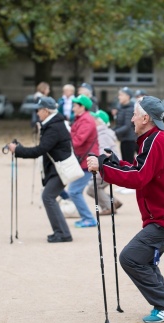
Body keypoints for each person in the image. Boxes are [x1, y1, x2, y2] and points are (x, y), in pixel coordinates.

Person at [86, 96, 164, 323]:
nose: (132, 119)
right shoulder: (154, 139)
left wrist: (105, 169)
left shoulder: (155, 140)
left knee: (131, 257)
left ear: (146, 118)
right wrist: (114, 163)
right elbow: (141, 169)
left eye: (135, 114)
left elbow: (139, 177)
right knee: (140, 257)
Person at [8, 97, 73, 243]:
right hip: (56, 168)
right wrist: (21, 148)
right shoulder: (52, 124)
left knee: (47, 197)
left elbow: (41, 150)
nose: (37, 113)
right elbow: (43, 148)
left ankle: (63, 234)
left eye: (38, 110)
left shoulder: (54, 126)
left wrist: (18, 150)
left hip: (59, 169)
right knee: (49, 197)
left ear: (46, 110)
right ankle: (62, 232)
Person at [68, 95, 99, 228]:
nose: (73, 107)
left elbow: (77, 141)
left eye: (75, 105)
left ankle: (88, 218)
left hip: (87, 161)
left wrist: (64, 140)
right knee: (75, 191)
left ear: (82, 107)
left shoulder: (86, 120)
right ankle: (87, 217)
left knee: (74, 191)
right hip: (84, 160)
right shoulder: (81, 118)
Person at [85, 110, 122, 215]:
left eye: (95, 119)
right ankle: (113, 202)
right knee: (97, 187)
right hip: (111, 164)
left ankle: (109, 206)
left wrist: (98, 165)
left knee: (92, 188)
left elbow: (103, 152)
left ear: (100, 122)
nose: (93, 120)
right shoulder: (101, 133)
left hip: (108, 165)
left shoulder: (103, 135)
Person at [113, 87, 136, 164]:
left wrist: (114, 132)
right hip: (124, 139)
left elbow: (127, 126)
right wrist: (110, 130)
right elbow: (119, 124)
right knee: (124, 162)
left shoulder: (130, 109)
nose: (119, 97)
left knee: (129, 163)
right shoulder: (121, 108)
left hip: (129, 140)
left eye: (121, 95)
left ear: (128, 96)